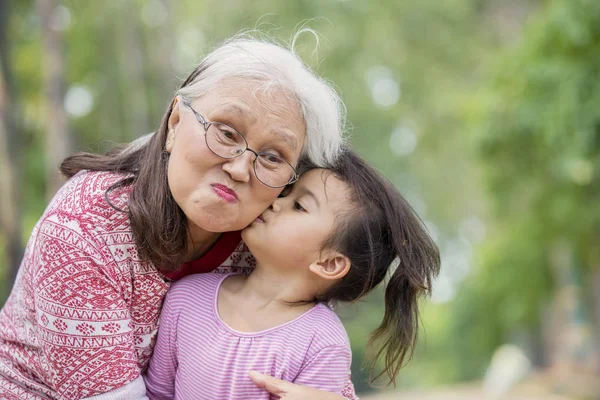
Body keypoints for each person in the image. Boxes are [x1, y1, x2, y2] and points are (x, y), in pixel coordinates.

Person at [0, 34, 358, 400]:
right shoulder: (83, 225)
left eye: (272, 157)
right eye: (226, 132)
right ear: (174, 123)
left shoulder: (266, 244)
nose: (239, 168)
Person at [143, 149, 441, 399]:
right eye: (286, 192)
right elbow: (156, 393)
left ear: (329, 263)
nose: (275, 201)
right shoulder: (186, 297)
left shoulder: (322, 342)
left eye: (298, 205)